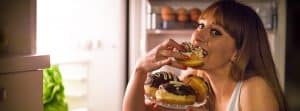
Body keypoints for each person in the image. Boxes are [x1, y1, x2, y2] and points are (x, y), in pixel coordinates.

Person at [123, 1, 288, 111]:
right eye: (200, 25)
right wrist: (140, 70)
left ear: (238, 51)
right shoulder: (193, 85)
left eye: (215, 32)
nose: (197, 35)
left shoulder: (253, 89)